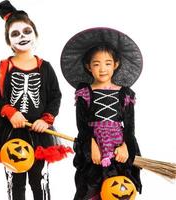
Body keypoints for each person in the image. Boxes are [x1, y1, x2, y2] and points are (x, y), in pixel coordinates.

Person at [0, 1, 72, 200]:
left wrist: (46, 119)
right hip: (10, 132)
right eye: (15, 34)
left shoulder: (45, 67)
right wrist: (10, 112)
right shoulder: (4, 66)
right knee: (15, 181)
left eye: (27, 31)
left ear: (35, 35)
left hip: (39, 133)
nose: (22, 37)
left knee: (40, 180)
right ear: (9, 42)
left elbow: (56, 96)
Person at [60, 27, 142, 200]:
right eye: (96, 64)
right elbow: (81, 125)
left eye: (108, 63)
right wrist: (92, 147)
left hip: (118, 145)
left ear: (116, 64)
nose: (102, 68)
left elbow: (130, 126)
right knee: (91, 188)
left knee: (118, 189)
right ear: (88, 66)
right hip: (93, 144)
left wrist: (126, 146)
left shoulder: (125, 93)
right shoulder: (85, 92)